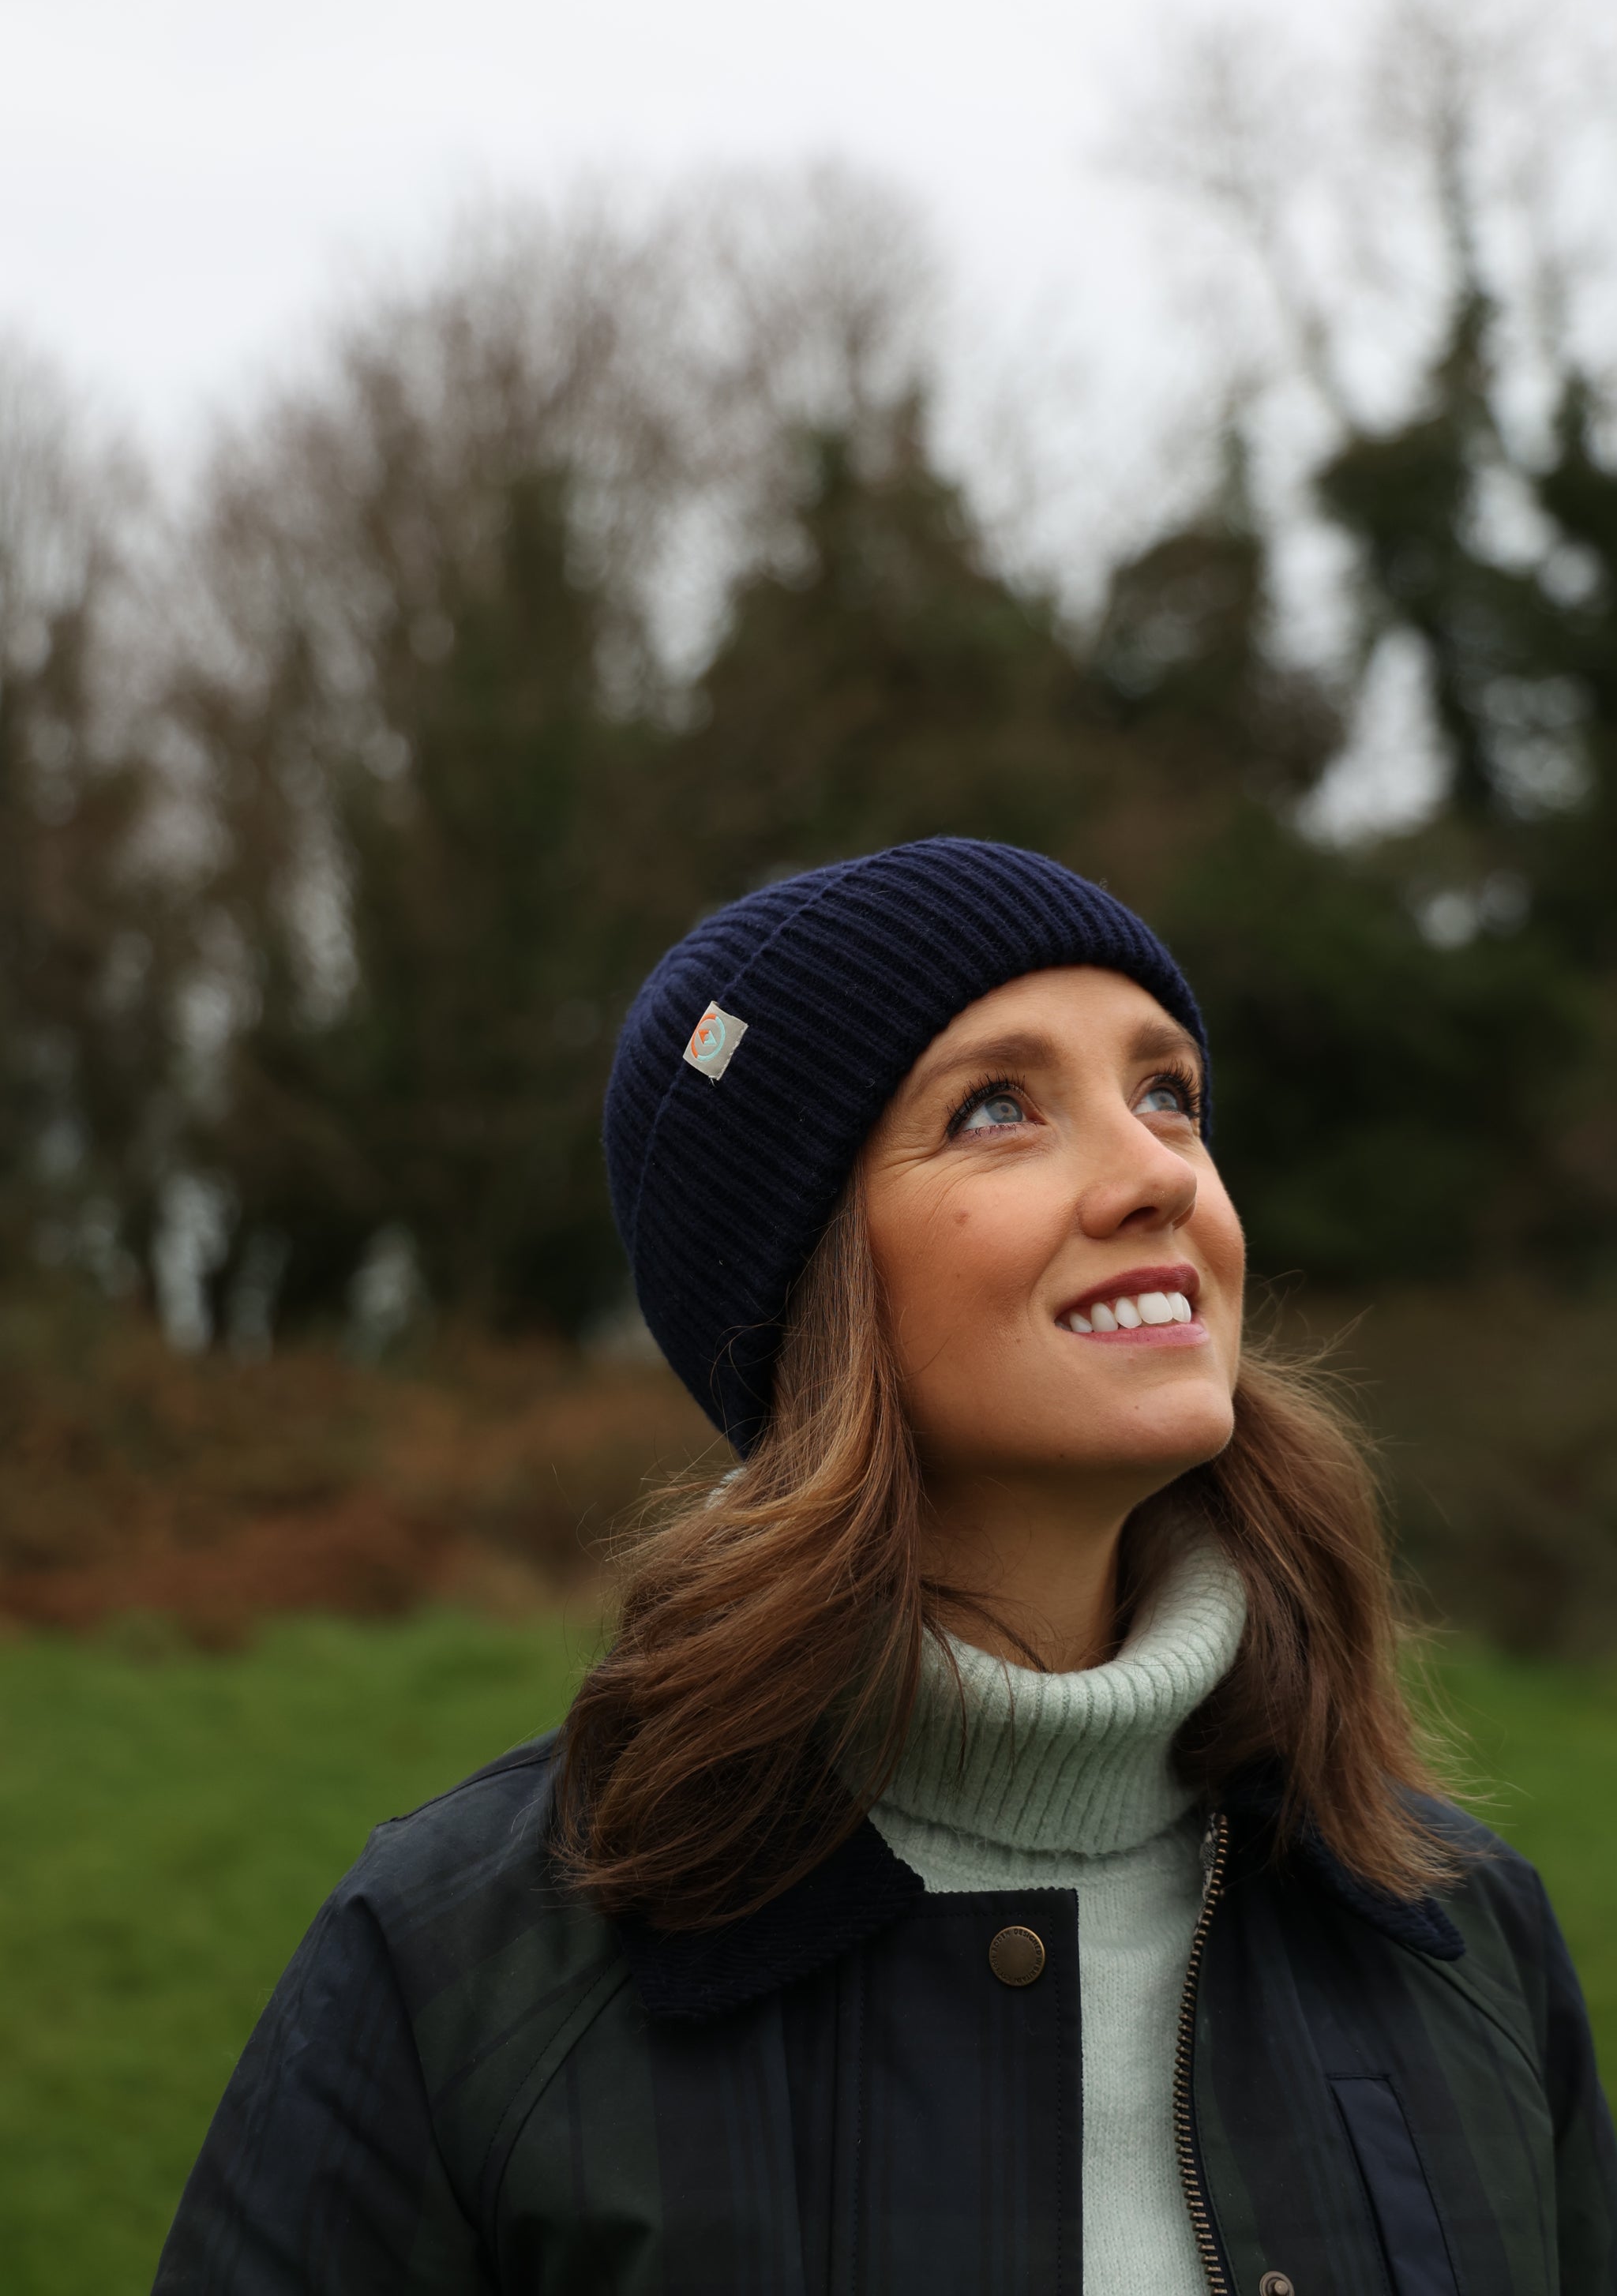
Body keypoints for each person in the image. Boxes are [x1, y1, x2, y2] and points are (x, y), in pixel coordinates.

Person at [155, 837, 1616, 2296]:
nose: (1154, 1173)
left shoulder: (1467, 1935)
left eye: (1166, 1092)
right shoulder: (459, 1972)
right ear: (803, 1286)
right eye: (996, 1108)